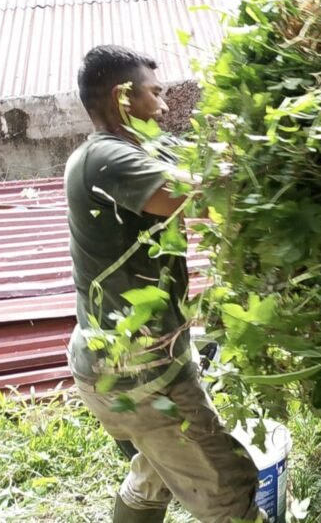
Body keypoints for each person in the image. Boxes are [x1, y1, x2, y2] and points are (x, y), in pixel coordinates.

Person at [65, 45, 264, 523]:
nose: (166, 104)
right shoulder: (107, 158)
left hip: (128, 355)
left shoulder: (135, 149)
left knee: (155, 470)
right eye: (156, 94)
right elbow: (199, 195)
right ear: (123, 96)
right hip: (135, 367)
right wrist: (274, 167)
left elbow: (198, 164)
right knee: (228, 488)